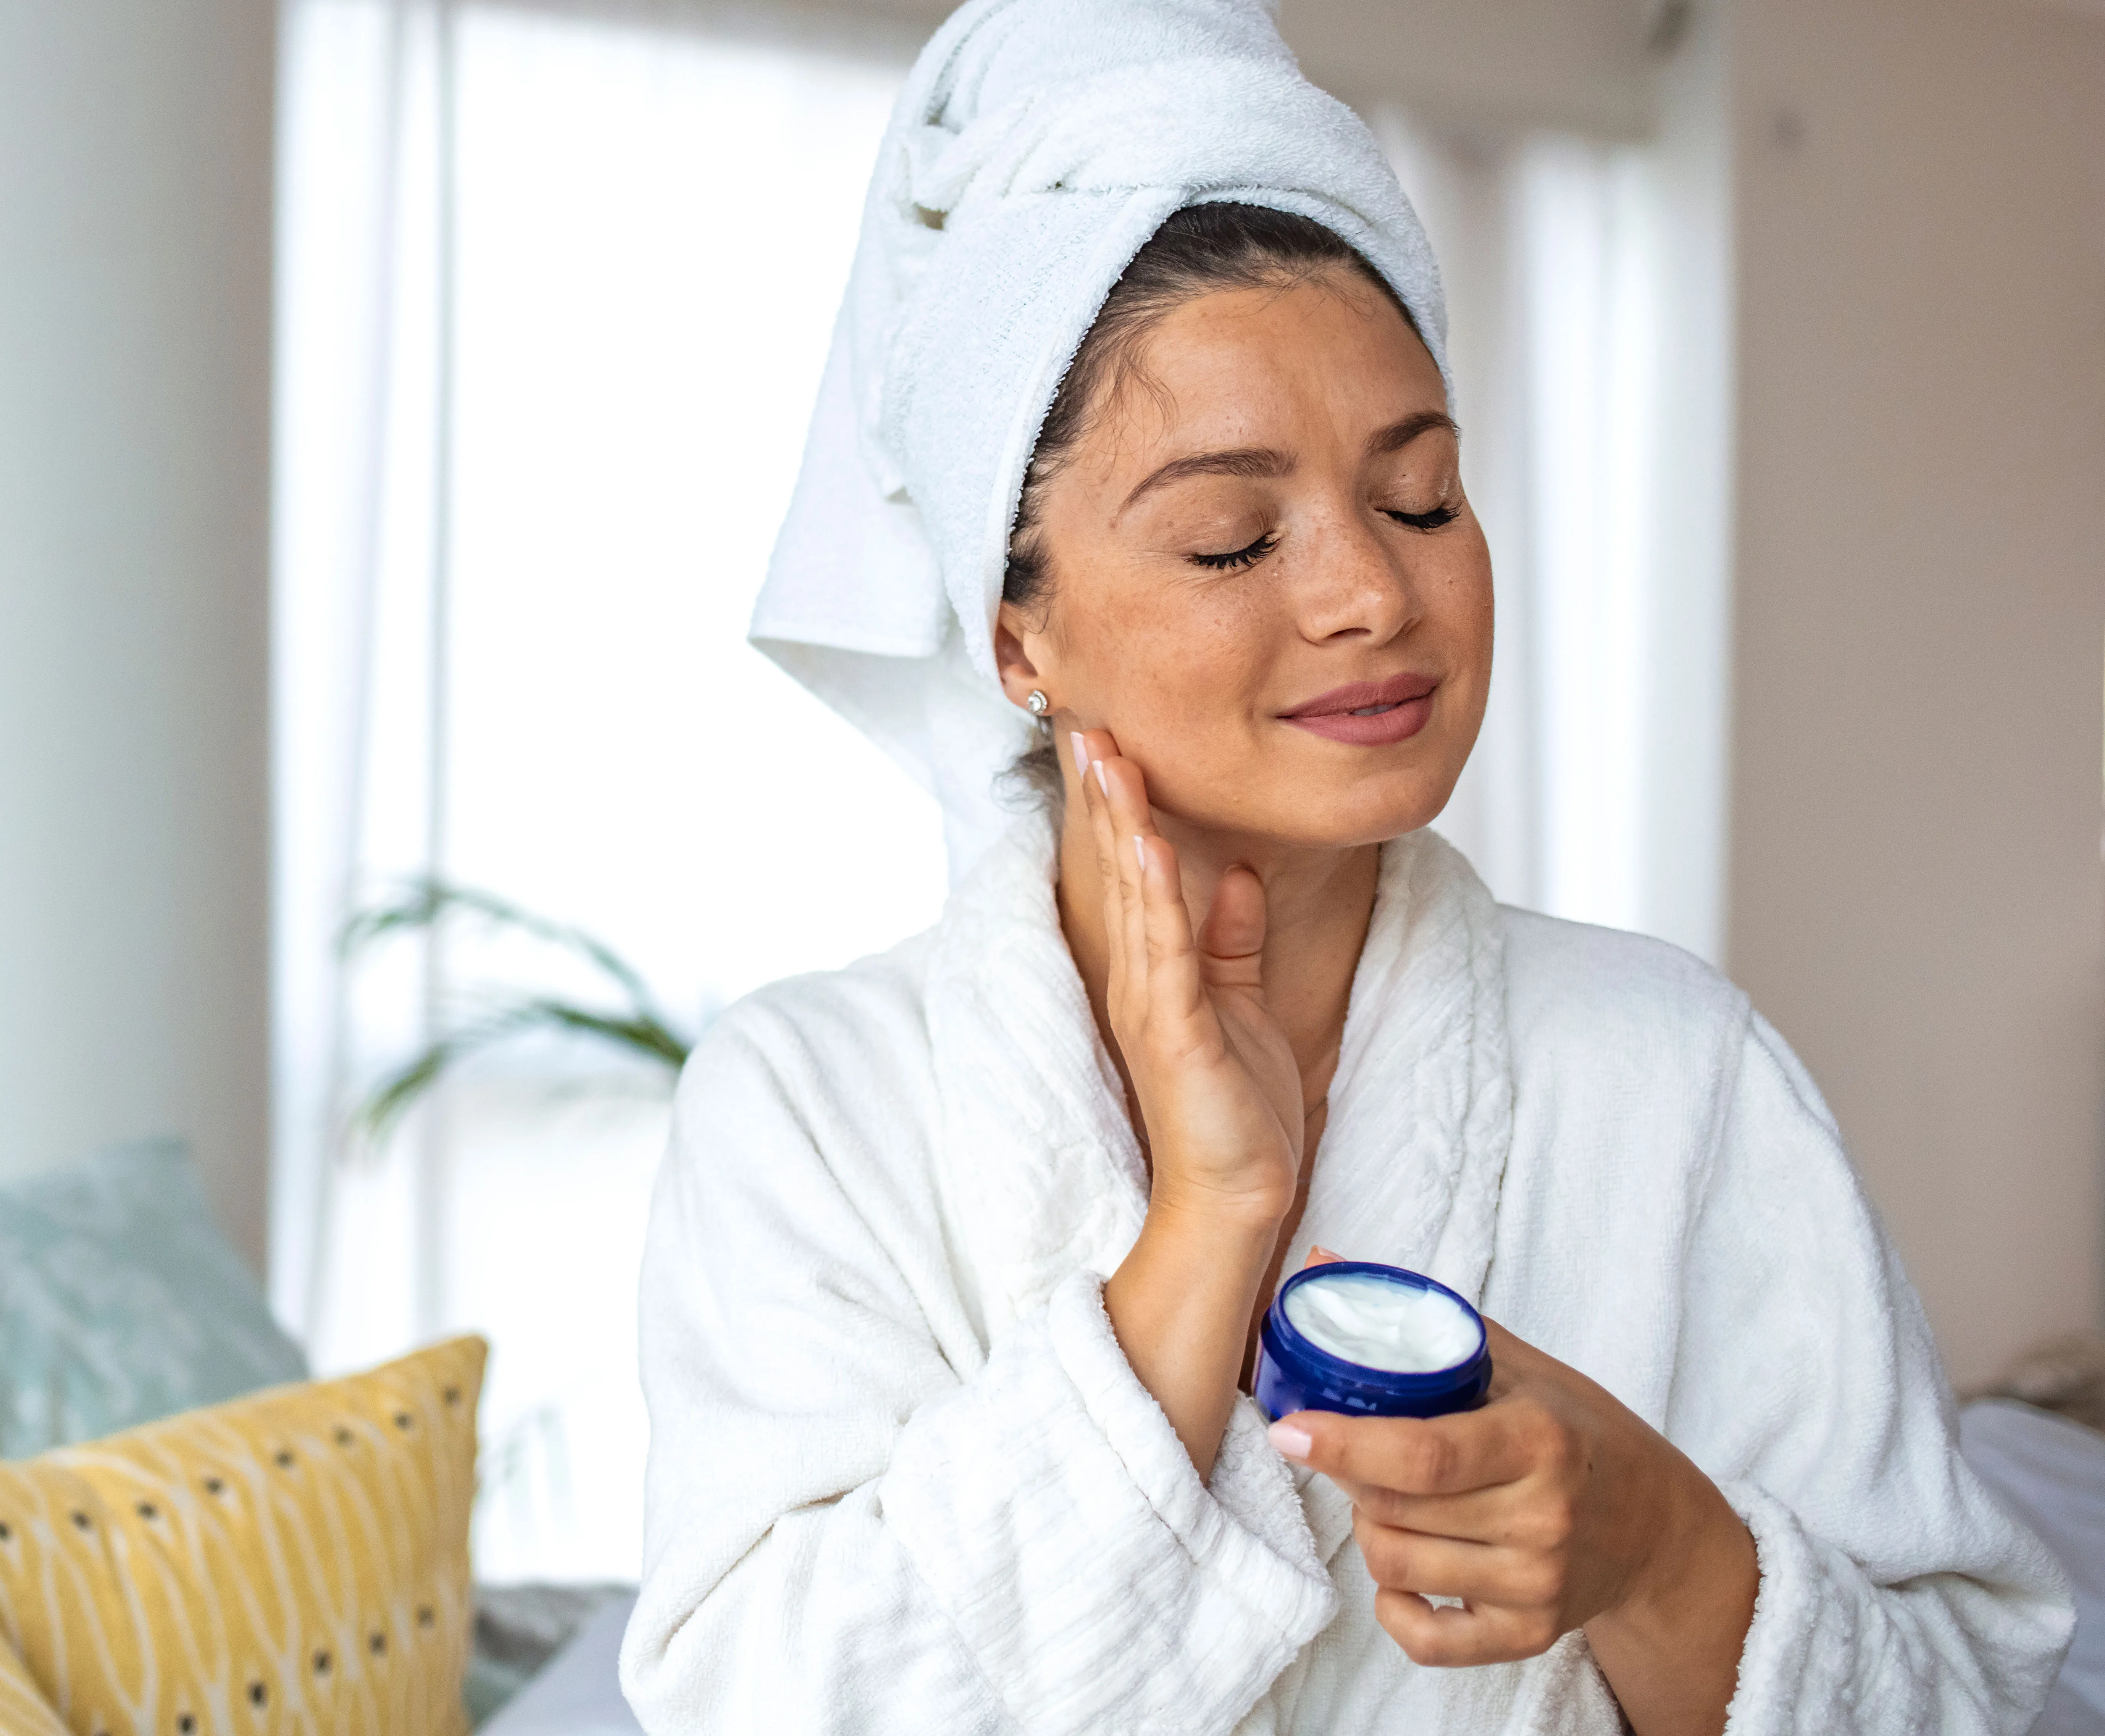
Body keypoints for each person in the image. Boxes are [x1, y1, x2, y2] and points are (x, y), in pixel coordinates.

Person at [618, 2, 2073, 1732]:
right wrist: (1207, 1227)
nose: (1368, 594)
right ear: (1016, 636)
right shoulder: (809, 1108)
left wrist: (1661, 1551)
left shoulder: (1670, 1072)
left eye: (1421, 498)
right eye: (1232, 534)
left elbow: (1981, 1701)